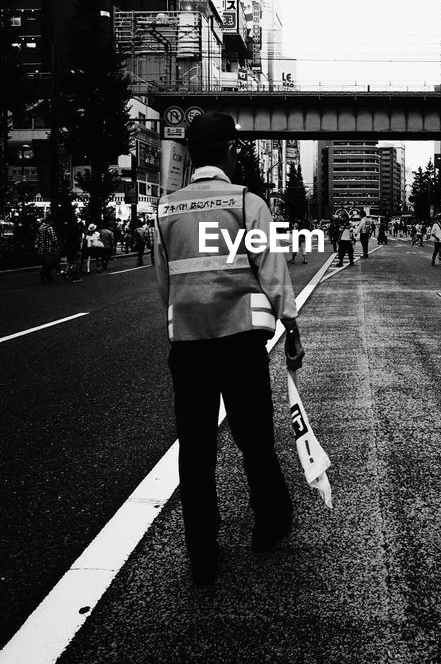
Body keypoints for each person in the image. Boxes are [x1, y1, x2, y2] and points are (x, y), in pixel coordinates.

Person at [154, 113, 304, 586]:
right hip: (240, 341)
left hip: (190, 345)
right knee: (255, 437)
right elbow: (271, 270)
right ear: (229, 152)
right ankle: (269, 523)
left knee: (195, 448)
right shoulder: (246, 202)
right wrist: (291, 323)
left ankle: (202, 551)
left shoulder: (166, 208)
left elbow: (166, 284)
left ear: (193, 156)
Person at [35, 216, 61, 283]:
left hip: (41, 248)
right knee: (51, 263)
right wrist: (57, 247)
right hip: (48, 248)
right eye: (53, 222)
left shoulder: (40, 227)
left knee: (44, 263)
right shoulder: (49, 228)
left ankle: (44, 275)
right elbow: (54, 239)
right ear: (50, 221)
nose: (53, 223)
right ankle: (46, 274)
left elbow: (38, 237)